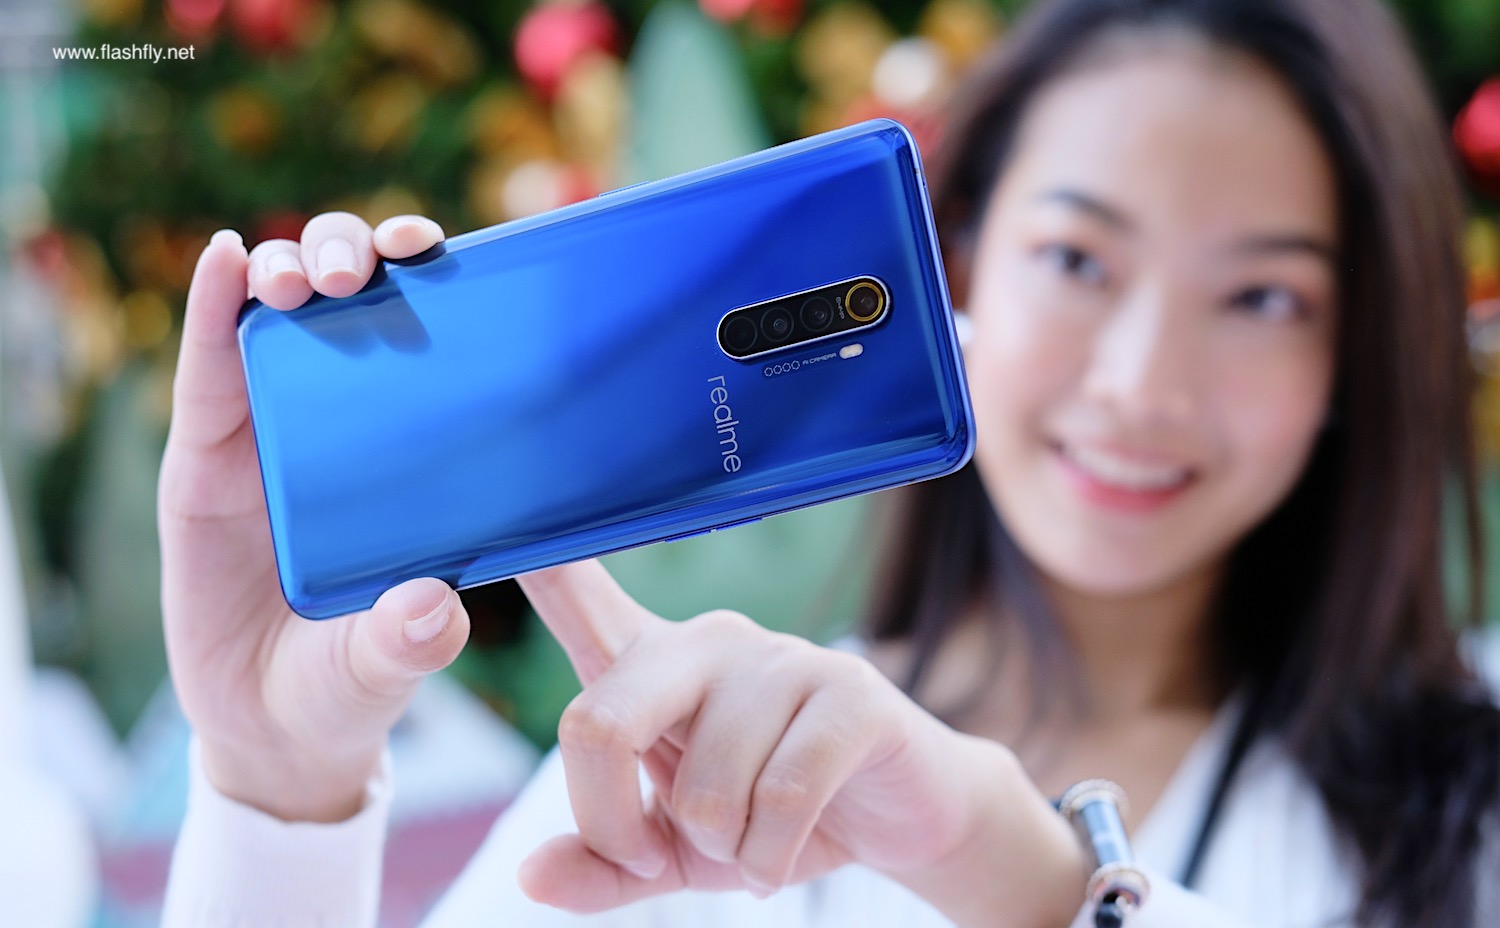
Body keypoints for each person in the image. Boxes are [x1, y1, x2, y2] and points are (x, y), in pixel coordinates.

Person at [158, 0, 1500, 925]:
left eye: (1264, 297)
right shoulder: (683, 759)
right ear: (960, 265)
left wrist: (1018, 873)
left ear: (1359, 349)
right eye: (1077, 259)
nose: (1141, 382)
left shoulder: (1471, 806)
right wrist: (276, 785)